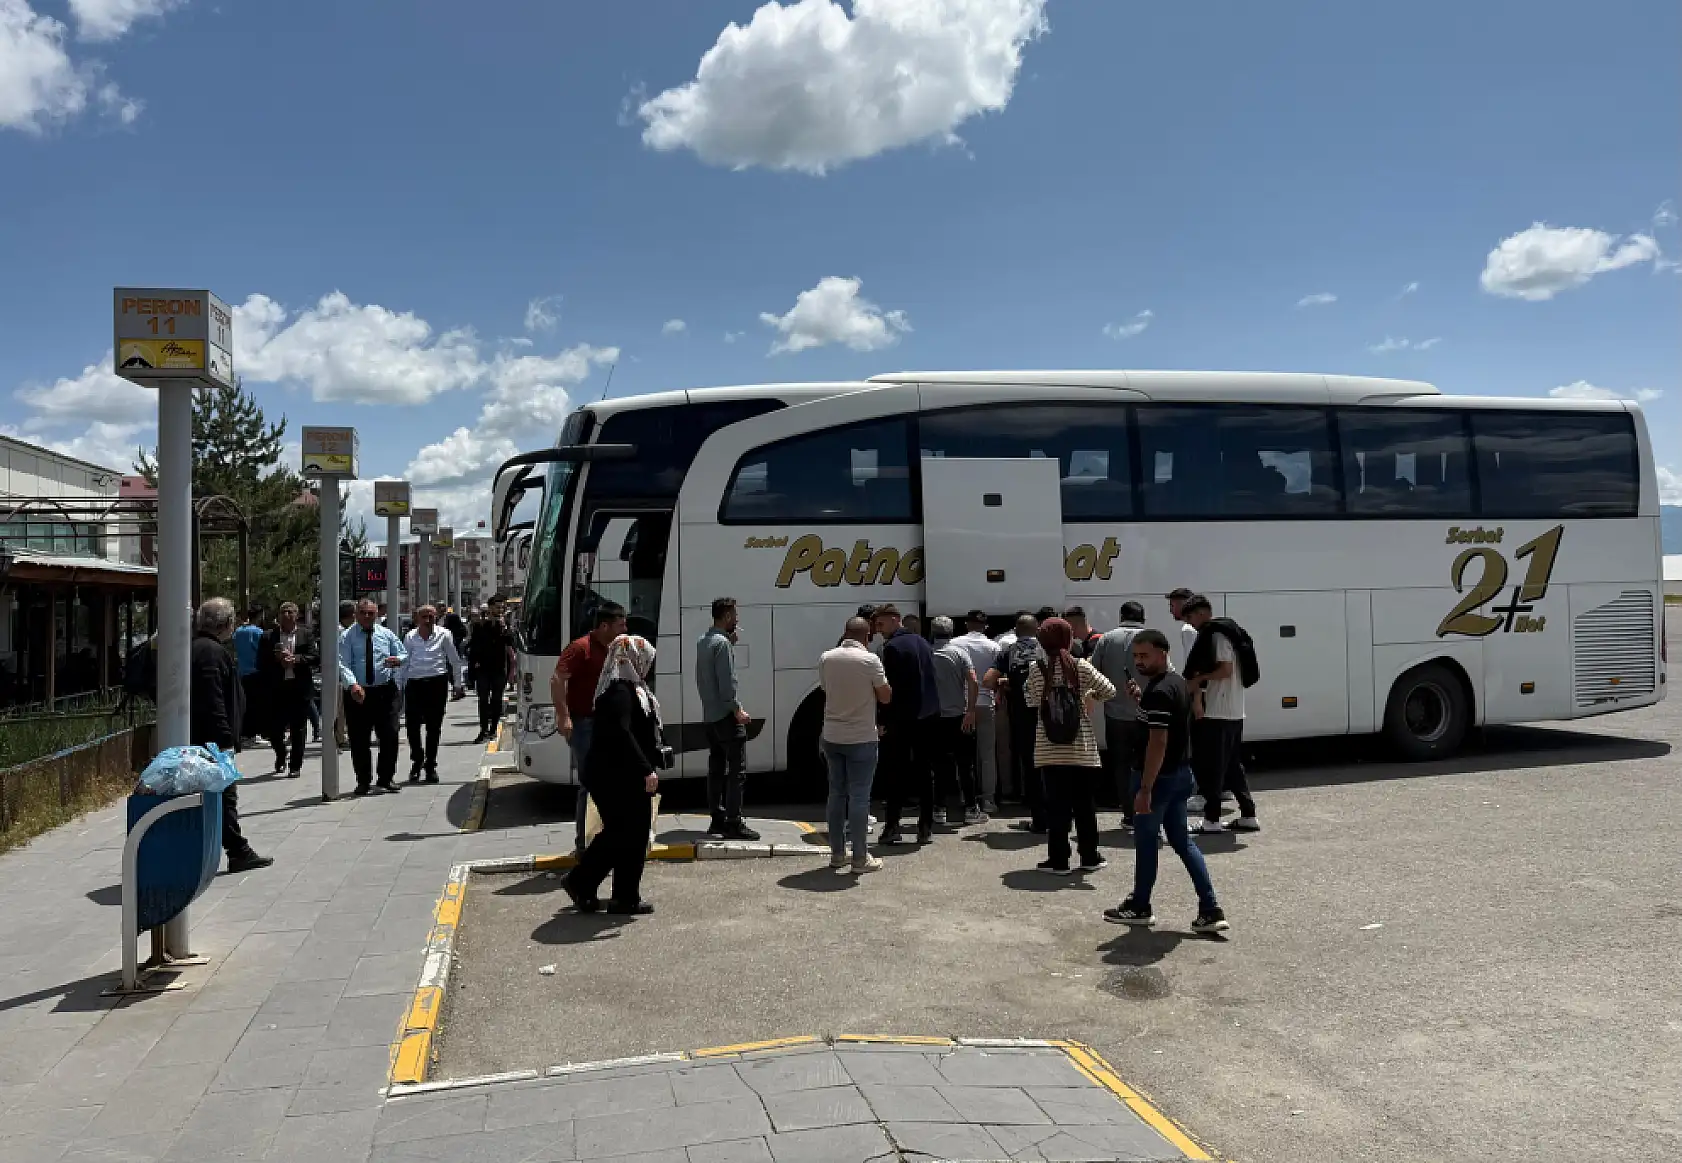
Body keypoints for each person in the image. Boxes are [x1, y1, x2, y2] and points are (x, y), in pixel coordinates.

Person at [1104, 630, 1228, 932]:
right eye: (1135, 656)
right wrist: (1141, 701)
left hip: (1159, 779)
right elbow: (1159, 724)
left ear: (1163, 653)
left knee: (1146, 842)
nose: (1139, 662)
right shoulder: (1174, 684)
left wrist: (1145, 789)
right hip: (1180, 775)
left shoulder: (1159, 691)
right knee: (1182, 842)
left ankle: (1140, 905)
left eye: (1145, 655)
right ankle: (1210, 908)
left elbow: (1157, 742)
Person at [560, 635, 663, 916]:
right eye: (646, 660)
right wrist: (646, 769)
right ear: (632, 658)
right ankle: (582, 882)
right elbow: (622, 732)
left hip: (618, 772)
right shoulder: (620, 691)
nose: (649, 666)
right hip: (615, 775)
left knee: (629, 833)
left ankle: (620, 895)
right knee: (625, 832)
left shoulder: (629, 688)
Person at [1025, 617, 1114, 875]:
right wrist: (1088, 696)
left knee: (1057, 807)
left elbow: (1031, 701)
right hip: (1082, 750)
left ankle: (1059, 860)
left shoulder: (1036, 668)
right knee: (1085, 806)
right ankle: (1089, 857)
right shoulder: (1081, 666)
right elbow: (1109, 690)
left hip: (1049, 750)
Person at [190, 598, 272, 873]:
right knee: (225, 795)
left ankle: (225, 849)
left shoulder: (202, 649)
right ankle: (238, 851)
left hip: (207, 738)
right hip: (212, 740)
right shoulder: (210, 653)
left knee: (218, 796)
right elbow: (212, 699)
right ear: (225, 624)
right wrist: (224, 738)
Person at [1181, 594, 1260, 834]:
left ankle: (1212, 820)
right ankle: (1248, 814)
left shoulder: (1216, 634)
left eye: (1191, 617)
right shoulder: (1230, 631)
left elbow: (1225, 669)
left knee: (1212, 766)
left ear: (1202, 612)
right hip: (1235, 710)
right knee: (1233, 765)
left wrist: (1200, 679)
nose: (1191, 623)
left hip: (1218, 709)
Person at [552, 602, 627, 851]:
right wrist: (563, 717)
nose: (624, 628)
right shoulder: (579, 649)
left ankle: (607, 836)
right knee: (591, 782)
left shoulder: (618, 649)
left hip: (610, 724)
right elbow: (557, 680)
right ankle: (584, 843)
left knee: (613, 781)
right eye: (620, 624)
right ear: (604, 625)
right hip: (585, 724)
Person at [818, 616, 890, 873]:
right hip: (861, 737)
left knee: (836, 794)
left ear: (844, 632)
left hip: (832, 735)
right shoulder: (870, 660)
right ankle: (860, 858)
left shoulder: (827, 657)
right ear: (867, 636)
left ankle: (838, 853)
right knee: (860, 797)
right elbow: (885, 696)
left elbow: (826, 689)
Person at [875, 604, 940, 845]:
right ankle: (925, 827)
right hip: (929, 715)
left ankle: (892, 826)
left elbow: (889, 689)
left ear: (895, 620)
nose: (879, 630)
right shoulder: (923, 642)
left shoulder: (891, 648)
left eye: (881, 624)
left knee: (896, 773)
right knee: (925, 772)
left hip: (902, 718)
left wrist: (883, 719)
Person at [695, 597, 759, 841]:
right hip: (725, 716)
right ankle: (734, 821)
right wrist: (737, 710)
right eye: (735, 614)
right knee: (736, 772)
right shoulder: (722, 645)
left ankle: (717, 818)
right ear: (728, 616)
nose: (737, 619)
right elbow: (727, 683)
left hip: (709, 715)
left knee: (716, 768)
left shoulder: (704, 641)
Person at [338, 598, 408, 795]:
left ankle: (385, 778)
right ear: (356, 614)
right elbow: (343, 663)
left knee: (390, 735)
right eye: (363, 613)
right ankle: (363, 781)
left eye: (371, 613)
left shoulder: (386, 634)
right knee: (359, 739)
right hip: (358, 692)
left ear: (376, 614)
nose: (367, 616)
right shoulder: (347, 636)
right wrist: (353, 685)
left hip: (385, 691)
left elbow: (402, 653)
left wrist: (397, 660)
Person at [984, 613, 1045, 830]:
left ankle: (1038, 819)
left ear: (1016, 631)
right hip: (1050, 716)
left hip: (1022, 716)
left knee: (1031, 766)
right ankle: (1058, 817)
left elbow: (988, 680)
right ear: (1037, 629)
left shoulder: (1009, 651)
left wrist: (1006, 685)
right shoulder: (1047, 648)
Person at [1090, 601, 1148, 819]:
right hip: (1146, 713)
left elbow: (1094, 672)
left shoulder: (1107, 639)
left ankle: (1128, 813)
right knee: (1146, 763)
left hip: (1115, 714)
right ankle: (1146, 810)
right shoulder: (1152, 638)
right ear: (1142, 617)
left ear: (1121, 616)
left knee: (1121, 765)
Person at [401, 605, 465, 784]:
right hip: (414, 683)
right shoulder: (410, 637)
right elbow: (405, 662)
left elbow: (454, 660)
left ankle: (430, 765)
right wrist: (399, 685)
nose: (427, 620)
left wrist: (457, 685)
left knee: (433, 726)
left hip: (437, 682)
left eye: (431, 616)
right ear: (417, 618)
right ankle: (417, 760)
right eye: (424, 616)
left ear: (436, 617)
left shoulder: (444, 634)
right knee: (412, 725)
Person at [930, 616, 984, 825]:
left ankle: (939, 809)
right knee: (965, 765)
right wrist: (970, 710)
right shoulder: (960, 652)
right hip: (958, 717)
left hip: (934, 718)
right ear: (951, 632)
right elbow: (973, 680)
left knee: (939, 766)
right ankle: (971, 809)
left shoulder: (927, 653)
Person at [258, 602, 318, 778]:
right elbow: (260, 662)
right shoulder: (269, 636)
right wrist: (276, 660)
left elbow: (314, 657)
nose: (286, 614)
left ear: (296, 615)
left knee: (298, 728)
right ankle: (281, 753)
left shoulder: (305, 633)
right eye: (283, 611)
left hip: (299, 688)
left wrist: (297, 659)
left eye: (290, 611)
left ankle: (295, 765)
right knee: (274, 729)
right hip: (277, 689)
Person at [950, 610, 1000, 814]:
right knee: (987, 754)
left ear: (966, 624)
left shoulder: (953, 645)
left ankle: (965, 795)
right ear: (985, 626)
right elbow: (997, 677)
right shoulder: (993, 646)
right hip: (986, 703)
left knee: (961, 755)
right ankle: (988, 800)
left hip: (961, 705)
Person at [467, 598, 514, 744]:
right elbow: (474, 648)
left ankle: (493, 729)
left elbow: (511, 642)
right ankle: (483, 729)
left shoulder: (505, 625)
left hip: (499, 668)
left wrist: (505, 628)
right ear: (491, 608)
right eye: (497, 607)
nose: (500, 610)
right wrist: (472, 671)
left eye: (502, 607)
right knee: (483, 699)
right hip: (483, 669)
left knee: (496, 700)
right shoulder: (480, 625)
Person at [232, 603, 266, 745]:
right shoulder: (258, 632)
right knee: (256, 704)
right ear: (259, 616)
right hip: (256, 671)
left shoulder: (238, 632)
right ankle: (253, 734)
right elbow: (263, 650)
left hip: (242, 671)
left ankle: (245, 734)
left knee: (245, 703)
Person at [332, 600, 355, 749]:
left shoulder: (342, 629)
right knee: (340, 709)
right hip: (340, 675)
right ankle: (341, 737)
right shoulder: (341, 631)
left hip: (343, 674)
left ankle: (342, 735)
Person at [1165, 587, 1200, 669]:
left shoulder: (1188, 629)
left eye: (1172, 605)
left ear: (1183, 605)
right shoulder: (1199, 625)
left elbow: (1192, 662)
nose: (1170, 610)